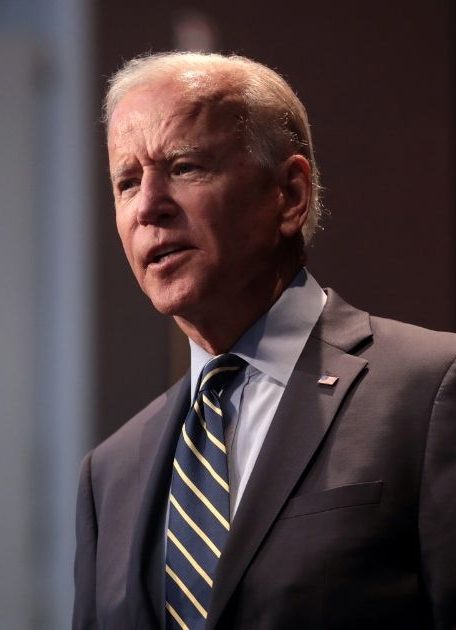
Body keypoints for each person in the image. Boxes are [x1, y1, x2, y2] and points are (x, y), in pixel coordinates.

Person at [73, 51, 456, 630]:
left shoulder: (430, 390)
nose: (148, 206)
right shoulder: (110, 474)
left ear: (289, 195)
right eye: (127, 182)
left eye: (184, 167)